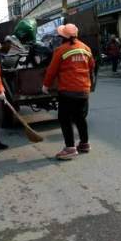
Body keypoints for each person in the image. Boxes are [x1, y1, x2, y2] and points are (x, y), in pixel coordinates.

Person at [42, 24, 95, 160]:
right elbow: (91, 67)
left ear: (62, 37)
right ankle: (84, 144)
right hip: (83, 90)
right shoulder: (86, 48)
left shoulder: (61, 50)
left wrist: (46, 86)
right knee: (80, 118)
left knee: (65, 119)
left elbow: (51, 70)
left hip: (68, 91)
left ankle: (70, 148)